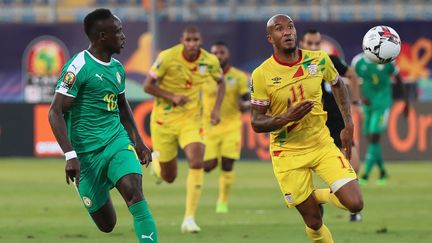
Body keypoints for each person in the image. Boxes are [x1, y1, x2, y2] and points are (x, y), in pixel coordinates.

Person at [250, 14, 363, 243]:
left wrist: (348, 122)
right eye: (280, 29)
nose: (288, 32)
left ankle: (316, 196)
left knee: (355, 203)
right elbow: (256, 122)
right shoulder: (261, 74)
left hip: (321, 144)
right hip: (287, 153)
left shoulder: (319, 60)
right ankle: (314, 200)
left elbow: (338, 84)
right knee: (313, 221)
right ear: (270, 38)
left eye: (290, 27)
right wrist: (284, 117)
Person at [48, 9, 157, 243]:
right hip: (86, 155)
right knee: (107, 225)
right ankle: (89, 189)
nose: (123, 35)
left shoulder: (117, 68)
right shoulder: (78, 67)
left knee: (135, 194)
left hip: (115, 142)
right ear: (102, 36)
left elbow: (122, 105)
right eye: (118, 31)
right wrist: (70, 156)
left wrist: (138, 142)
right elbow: (55, 112)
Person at [143, 26, 225, 233]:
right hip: (164, 121)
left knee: (197, 160)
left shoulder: (210, 61)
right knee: (169, 177)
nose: (192, 43)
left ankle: (189, 218)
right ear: (182, 40)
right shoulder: (167, 57)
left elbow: (221, 82)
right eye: (188, 39)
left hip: (191, 119)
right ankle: (157, 165)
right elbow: (147, 86)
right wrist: (172, 97)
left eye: (195, 39)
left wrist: (215, 110)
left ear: (201, 40)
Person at [300, 29, 363, 222]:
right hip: (312, 125)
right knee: (305, 172)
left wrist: (355, 102)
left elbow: (351, 74)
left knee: (354, 165)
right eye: (309, 43)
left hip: (336, 121)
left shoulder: (329, 61)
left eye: (316, 44)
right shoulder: (296, 65)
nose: (313, 47)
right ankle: (318, 198)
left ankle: (346, 204)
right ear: (302, 44)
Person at [202, 41, 250, 213]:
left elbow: (247, 99)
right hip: (209, 126)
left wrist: (245, 105)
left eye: (221, 52)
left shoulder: (238, 76)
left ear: (227, 55)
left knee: (228, 163)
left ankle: (222, 202)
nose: (218, 56)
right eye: (214, 52)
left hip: (232, 125)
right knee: (208, 166)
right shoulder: (205, 75)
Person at [352, 52, 408, 186]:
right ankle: (383, 171)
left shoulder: (387, 60)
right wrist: (359, 98)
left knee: (374, 137)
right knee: (371, 140)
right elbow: (354, 81)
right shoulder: (358, 62)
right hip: (367, 107)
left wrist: (406, 102)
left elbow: (399, 78)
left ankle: (365, 174)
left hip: (382, 105)